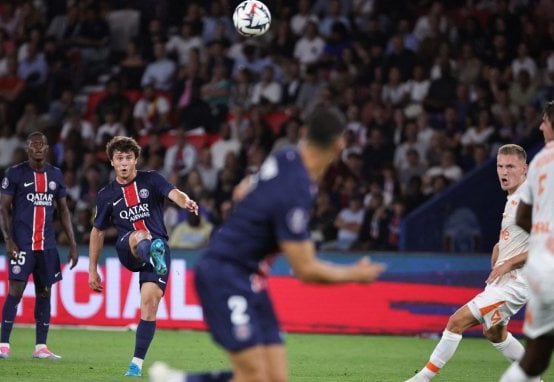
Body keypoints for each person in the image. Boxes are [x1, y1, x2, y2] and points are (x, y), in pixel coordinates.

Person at [149, 109, 385, 381]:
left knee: (275, 378)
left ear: (305, 134)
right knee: (254, 376)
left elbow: (241, 191)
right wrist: (355, 274)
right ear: (340, 144)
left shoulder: (285, 157)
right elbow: (306, 269)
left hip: (251, 279)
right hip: (225, 274)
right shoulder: (296, 188)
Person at [405, 144, 531, 381]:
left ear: (524, 168)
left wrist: (507, 264)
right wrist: (499, 250)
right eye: (500, 166)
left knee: (456, 321)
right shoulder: (513, 197)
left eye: (510, 166)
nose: (504, 171)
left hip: (516, 281)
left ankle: (421, 379)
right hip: (503, 280)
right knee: (495, 333)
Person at [87, 136, 198, 377]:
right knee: (141, 235)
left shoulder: (152, 179)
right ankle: (151, 250)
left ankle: (136, 364)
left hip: (159, 248)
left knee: (149, 305)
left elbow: (174, 192)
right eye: (119, 159)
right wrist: (92, 269)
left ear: (136, 159)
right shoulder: (107, 195)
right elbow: (97, 231)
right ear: (112, 162)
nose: (124, 163)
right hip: (130, 248)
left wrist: (185, 201)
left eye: (128, 158)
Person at [0, 131, 79, 360]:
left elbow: (63, 210)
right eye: (34, 144)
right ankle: (3, 344)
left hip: (48, 246)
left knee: (44, 293)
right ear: (27, 148)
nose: (39, 147)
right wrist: (8, 239)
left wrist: (72, 244)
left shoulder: (56, 174)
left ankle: (41, 347)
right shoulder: (15, 173)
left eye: (42, 144)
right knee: (15, 291)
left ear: (48, 148)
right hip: (22, 245)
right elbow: (3, 209)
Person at [499, 102, 554, 382]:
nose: (540, 126)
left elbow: (523, 217)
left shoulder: (542, 160)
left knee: (536, 357)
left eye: (544, 121)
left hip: (542, 267)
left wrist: (543, 238)